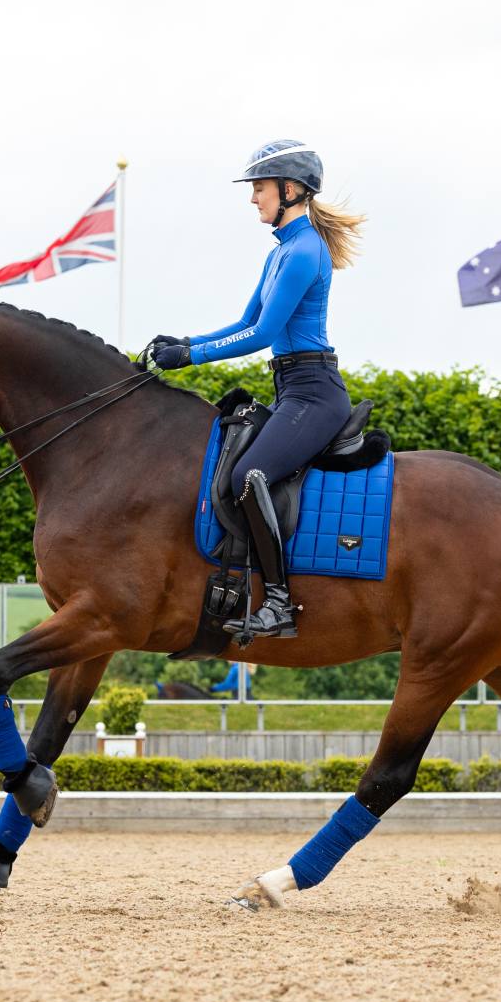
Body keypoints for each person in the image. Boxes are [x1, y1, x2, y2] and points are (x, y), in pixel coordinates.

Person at [152, 140, 365, 638]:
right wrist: (186, 342)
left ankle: (278, 602)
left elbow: (263, 336)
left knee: (249, 474)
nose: (253, 199)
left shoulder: (305, 250)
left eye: (260, 188)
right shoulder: (282, 252)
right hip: (292, 388)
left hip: (314, 393)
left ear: (290, 190)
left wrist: (190, 357)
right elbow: (246, 320)